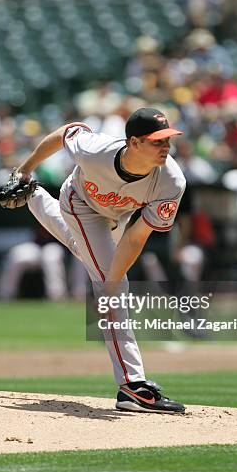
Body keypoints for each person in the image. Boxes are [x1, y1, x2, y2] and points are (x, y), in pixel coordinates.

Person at [15, 107, 187, 413]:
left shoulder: (171, 181)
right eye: (157, 141)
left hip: (119, 216)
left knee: (96, 264)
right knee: (115, 285)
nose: (166, 147)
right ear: (134, 143)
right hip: (80, 205)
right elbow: (66, 132)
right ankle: (132, 386)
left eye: (168, 140)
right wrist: (24, 169)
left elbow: (136, 237)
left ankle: (33, 196)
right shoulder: (97, 150)